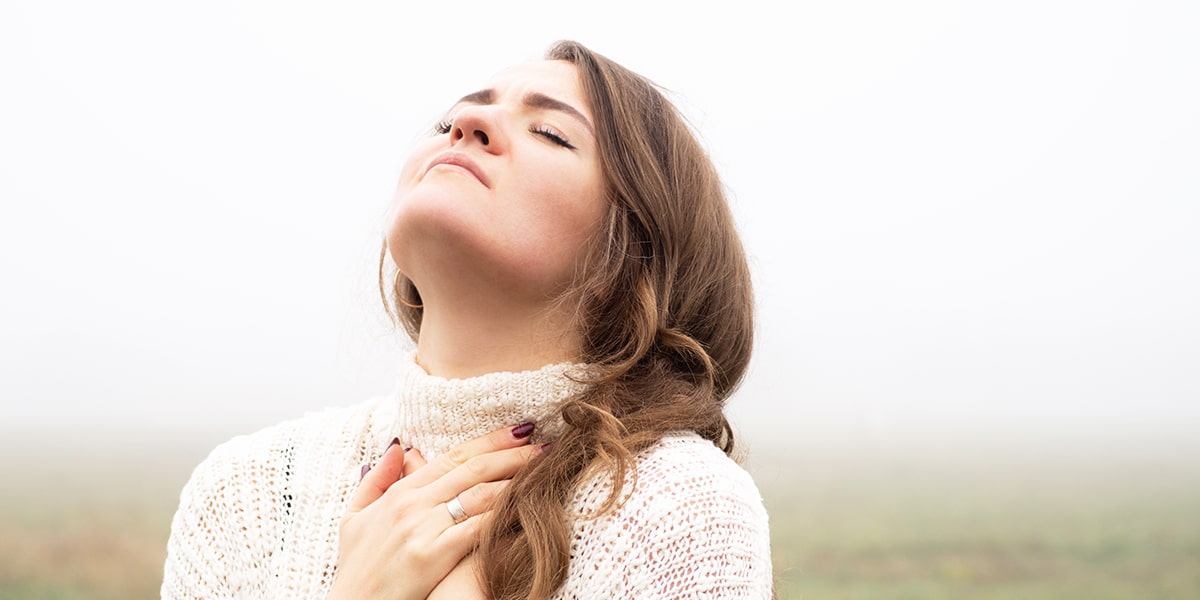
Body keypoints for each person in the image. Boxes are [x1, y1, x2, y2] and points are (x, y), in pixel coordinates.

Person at [162, 40, 773, 599]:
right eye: (450, 119)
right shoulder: (249, 490)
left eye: (551, 133)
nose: (467, 124)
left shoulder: (677, 508)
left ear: (633, 249)